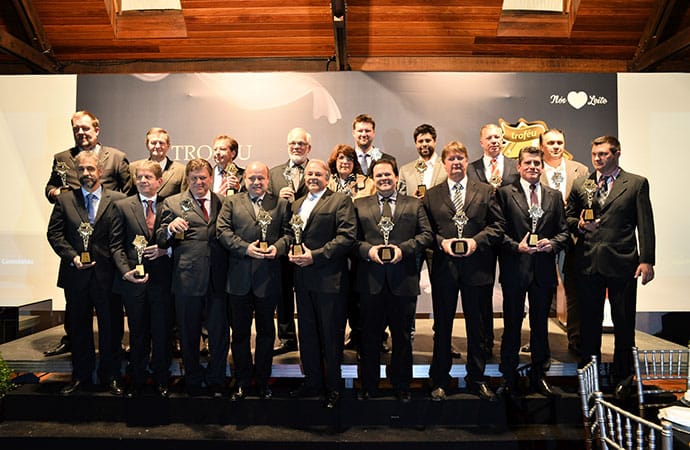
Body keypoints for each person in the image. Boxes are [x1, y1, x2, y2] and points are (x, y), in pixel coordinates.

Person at [565, 135, 655, 399]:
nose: (597, 158)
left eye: (603, 154)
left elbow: (645, 224)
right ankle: (589, 378)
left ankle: (623, 378)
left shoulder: (636, 183)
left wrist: (647, 260)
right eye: (595, 154)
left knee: (623, 323)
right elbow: (567, 217)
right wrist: (580, 224)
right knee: (589, 325)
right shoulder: (582, 183)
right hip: (588, 262)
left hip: (622, 263)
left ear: (617, 153)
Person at [43, 110, 131, 357]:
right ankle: (78, 363)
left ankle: (111, 367)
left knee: (110, 320)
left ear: (96, 129)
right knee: (77, 319)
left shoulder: (116, 157)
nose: (80, 132)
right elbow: (51, 187)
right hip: (75, 249)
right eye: (76, 129)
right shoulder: (62, 158)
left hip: (107, 253)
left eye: (85, 128)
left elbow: (128, 194)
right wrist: (55, 193)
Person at [423, 141, 504, 402]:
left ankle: (477, 379)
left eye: (460, 158)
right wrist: (441, 243)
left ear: (467, 161)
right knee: (442, 327)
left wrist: (475, 242)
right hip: (444, 269)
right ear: (444, 163)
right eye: (451, 159)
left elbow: (497, 226)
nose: (456, 163)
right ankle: (439, 380)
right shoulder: (431, 195)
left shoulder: (486, 191)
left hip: (477, 267)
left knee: (477, 327)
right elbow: (425, 231)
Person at [46, 150, 127, 396]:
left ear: (100, 171)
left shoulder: (118, 199)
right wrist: (72, 256)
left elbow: (122, 238)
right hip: (76, 276)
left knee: (111, 329)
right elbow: (54, 234)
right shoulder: (65, 200)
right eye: (81, 169)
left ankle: (111, 376)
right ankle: (81, 377)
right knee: (79, 330)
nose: (86, 173)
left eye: (90, 169)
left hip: (108, 276)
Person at [353, 158, 432, 402]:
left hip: (403, 283)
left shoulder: (414, 204)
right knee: (369, 338)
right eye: (379, 175)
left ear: (396, 177)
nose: (384, 179)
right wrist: (368, 251)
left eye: (388, 174)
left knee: (402, 338)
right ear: (373, 179)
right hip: (370, 283)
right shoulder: (359, 205)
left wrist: (403, 249)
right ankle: (369, 385)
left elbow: (427, 235)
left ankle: (401, 385)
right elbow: (351, 240)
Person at [495, 146, 570, 398]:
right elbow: (497, 232)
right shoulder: (505, 194)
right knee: (512, 324)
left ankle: (539, 375)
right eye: (527, 163)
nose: (533, 167)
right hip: (515, 268)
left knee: (540, 326)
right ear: (518, 166)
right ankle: (509, 375)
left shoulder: (554, 196)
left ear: (542, 166)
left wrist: (553, 243)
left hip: (543, 270)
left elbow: (564, 231)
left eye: (537, 163)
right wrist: (516, 246)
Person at [216, 161, 292, 401]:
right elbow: (222, 232)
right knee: (239, 335)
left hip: (268, 279)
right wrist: (245, 248)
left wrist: (278, 248)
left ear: (268, 180)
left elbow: (289, 234)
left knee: (266, 333)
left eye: (261, 178)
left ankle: (263, 381)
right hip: (238, 280)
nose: (256, 182)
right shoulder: (231, 202)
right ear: (244, 179)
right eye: (252, 178)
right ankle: (242, 381)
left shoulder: (280, 204)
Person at [156, 158, 229, 397]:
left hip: (218, 279)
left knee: (219, 334)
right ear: (187, 179)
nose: (199, 182)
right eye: (194, 178)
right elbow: (159, 237)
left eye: (203, 177)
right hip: (187, 279)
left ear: (211, 178)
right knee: (188, 334)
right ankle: (194, 380)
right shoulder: (173, 202)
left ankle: (217, 379)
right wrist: (169, 228)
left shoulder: (223, 202)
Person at [288, 159, 356, 409]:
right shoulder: (296, 205)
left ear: (328, 178)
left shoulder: (340, 201)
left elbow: (346, 237)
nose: (313, 177)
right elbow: (292, 236)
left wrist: (314, 256)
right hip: (303, 279)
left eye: (318, 173)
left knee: (331, 336)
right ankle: (312, 382)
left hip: (330, 280)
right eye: (309, 174)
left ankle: (333, 387)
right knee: (307, 335)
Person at [111, 160, 173, 398]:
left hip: (162, 281)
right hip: (132, 282)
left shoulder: (170, 205)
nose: (143, 181)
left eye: (148, 177)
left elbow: (179, 241)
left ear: (159, 181)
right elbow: (115, 244)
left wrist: (166, 250)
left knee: (162, 333)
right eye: (139, 177)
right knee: (137, 333)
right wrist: (125, 271)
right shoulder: (122, 206)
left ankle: (161, 378)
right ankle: (137, 378)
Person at [467, 123, 519, 361]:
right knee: (483, 293)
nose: (494, 141)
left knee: (512, 292)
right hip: (484, 236)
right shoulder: (471, 168)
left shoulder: (515, 166)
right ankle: (485, 341)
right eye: (489, 138)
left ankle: (511, 342)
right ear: (481, 142)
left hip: (511, 236)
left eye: (498, 137)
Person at [538, 129, 589, 355]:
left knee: (575, 290)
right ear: (542, 146)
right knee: (540, 291)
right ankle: (538, 339)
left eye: (559, 142)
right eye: (550, 143)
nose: (556, 146)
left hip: (574, 237)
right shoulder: (534, 168)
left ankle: (576, 339)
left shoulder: (581, 170)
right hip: (544, 237)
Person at [326, 144, 375, 354]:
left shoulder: (368, 183)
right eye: (341, 158)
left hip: (359, 244)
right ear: (334, 161)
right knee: (337, 294)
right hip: (333, 245)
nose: (345, 162)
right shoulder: (327, 181)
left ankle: (361, 335)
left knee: (359, 293)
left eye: (349, 158)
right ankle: (335, 337)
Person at [266, 127, 311, 356]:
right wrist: (277, 199)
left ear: (308, 147)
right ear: (287, 146)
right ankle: (287, 338)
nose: (297, 147)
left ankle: (311, 337)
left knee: (308, 292)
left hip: (309, 242)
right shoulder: (274, 173)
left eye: (301, 143)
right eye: (293, 143)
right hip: (282, 240)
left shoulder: (317, 170)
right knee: (283, 292)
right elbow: (265, 206)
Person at [128, 127, 186, 198]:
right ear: (147, 145)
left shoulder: (181, 170)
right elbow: (129, 197)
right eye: (154, 143)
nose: (158, 146)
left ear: (168, 146)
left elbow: (184, 198)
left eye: (161, 143)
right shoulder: (133, 168)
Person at [398, 124, 447, 199]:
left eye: (428, 141)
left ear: (435, 141)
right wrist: (412, 201)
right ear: (416, 144)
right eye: (420, 141)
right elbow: (400, 200)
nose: (424, 144)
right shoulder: (405, 171)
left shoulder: (446, 166)